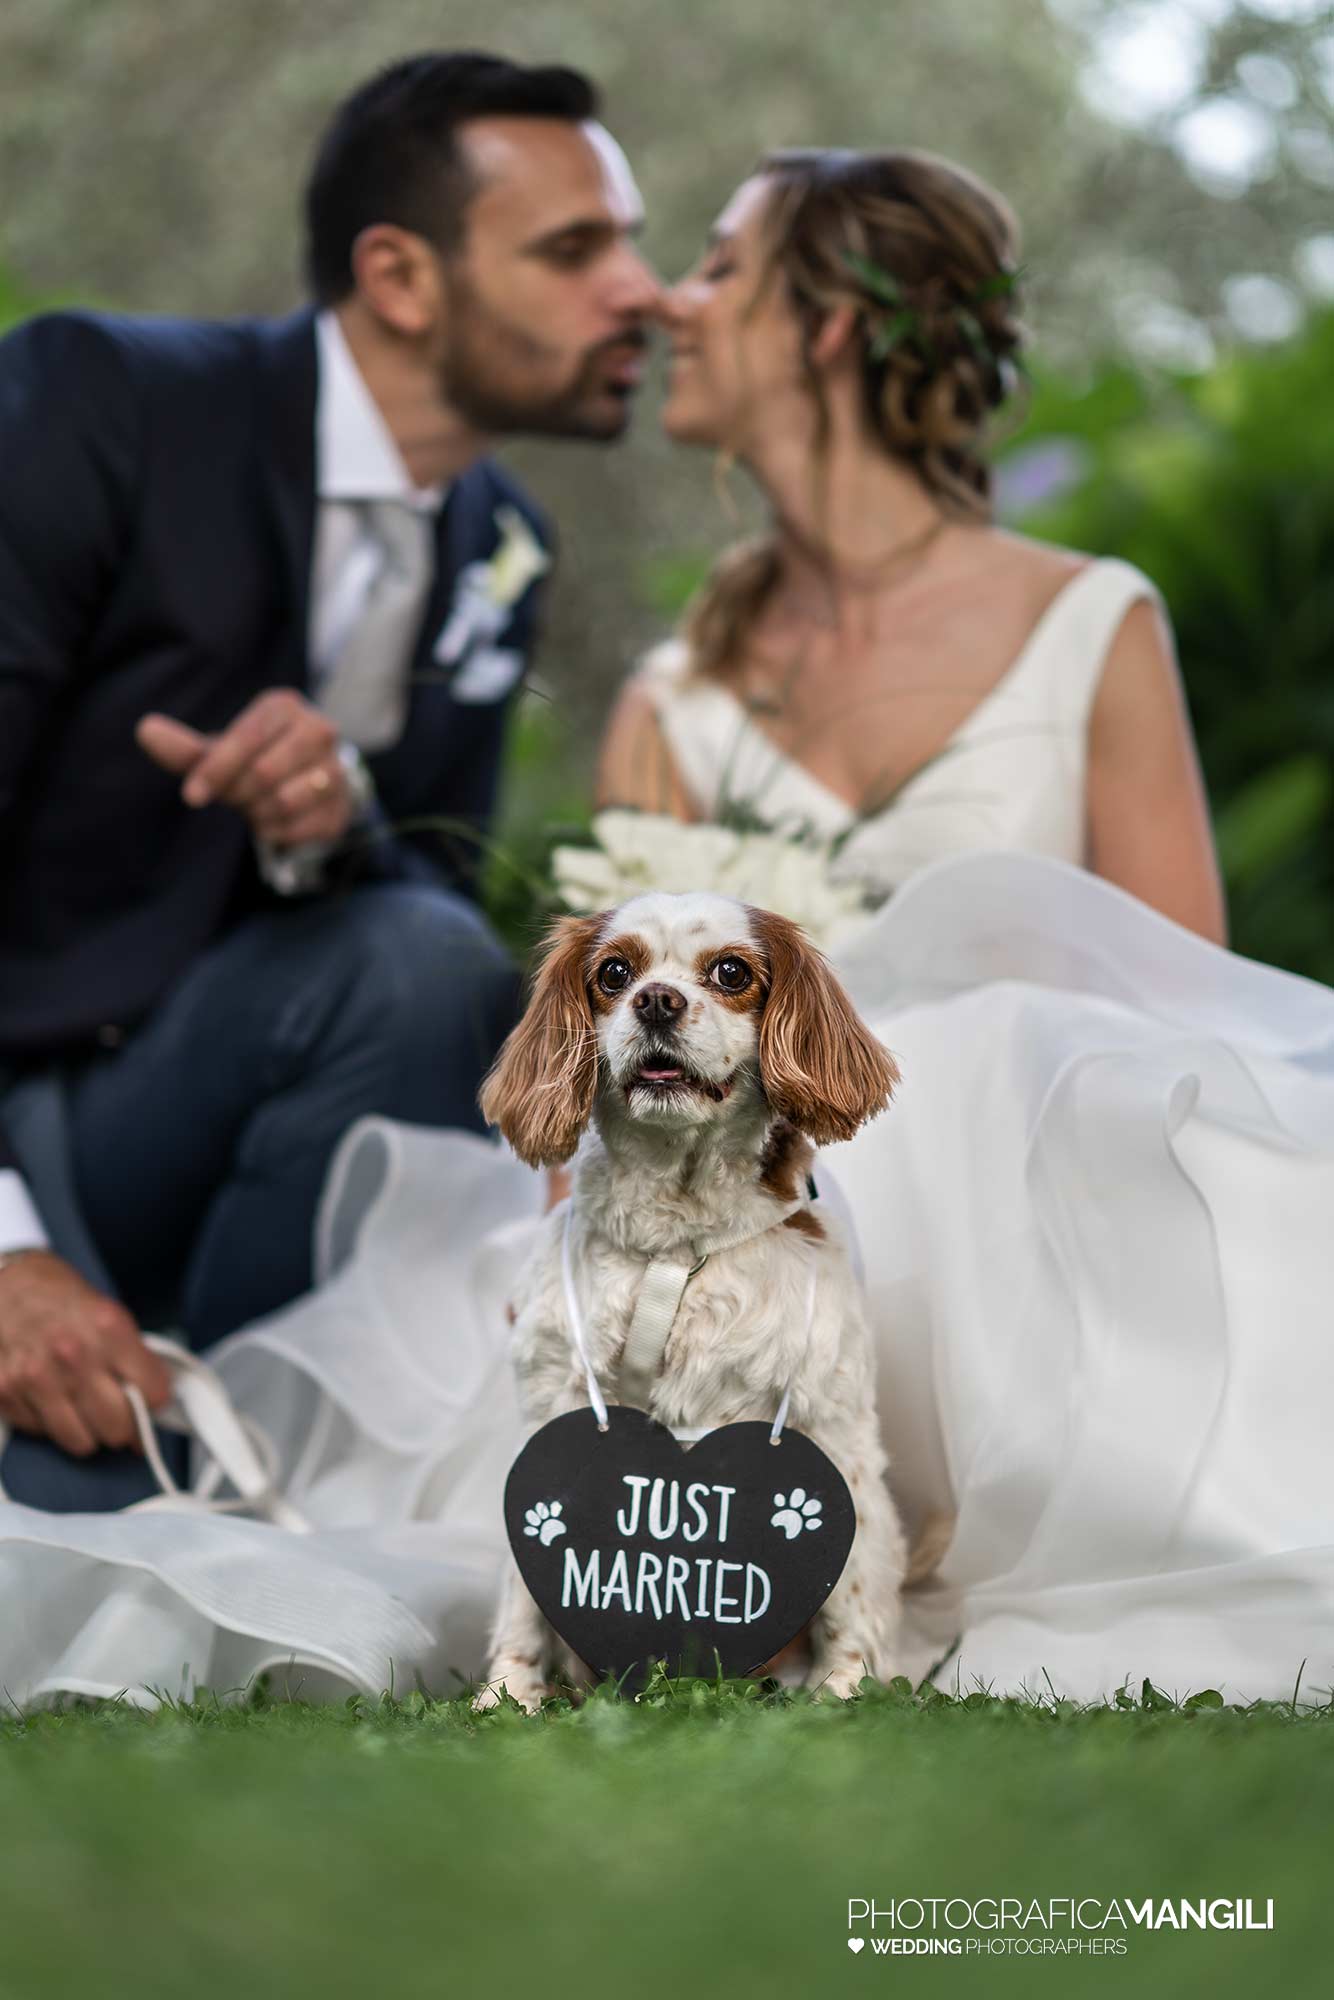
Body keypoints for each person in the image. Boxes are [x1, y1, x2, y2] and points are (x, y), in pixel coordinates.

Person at [5, 146, 1333, 1713]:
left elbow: (1177, 999)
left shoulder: (1090, 621)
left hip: (1015, 1212)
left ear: (824, 325)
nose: (662, 301)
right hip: (716, 1191)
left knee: (1000, 1050)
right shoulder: (674, 690)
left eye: (713, 266)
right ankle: (701, 1546)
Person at [0, 50, 661, 1513]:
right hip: (32, 1111)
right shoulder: (103, 402)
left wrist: (334, 825)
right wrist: (4, 1256)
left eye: (628, 243)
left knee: (424, 955)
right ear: (400, 278)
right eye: (576, 250)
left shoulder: (503, 539)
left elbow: (422, 911)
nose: (643, 292)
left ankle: (264, 1450)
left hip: (247, 1121)